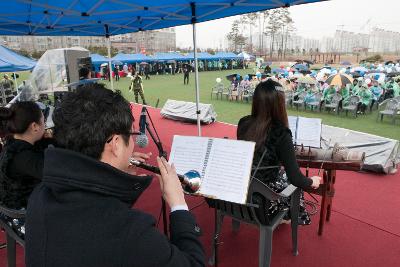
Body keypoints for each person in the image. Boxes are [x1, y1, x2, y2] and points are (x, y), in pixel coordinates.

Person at [25, 84, 205, 267]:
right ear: (116, 144)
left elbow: (99, 216)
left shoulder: (40, 195)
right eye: (132, 135)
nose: (133, 144)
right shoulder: (133, 233)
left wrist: (114, 177)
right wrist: (178, 205)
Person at [237, 79, 321, 225]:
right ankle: (290, 215)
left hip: (242, 187)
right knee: (294, 184)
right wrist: (312, 181)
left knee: (282, 173)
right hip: (263, 201)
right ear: (279, 103)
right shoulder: (281, 133)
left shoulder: (243, 123)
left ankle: (287, 215)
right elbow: (296, 179)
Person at [0, 101, 49, 237]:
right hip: (24, 220)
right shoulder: (25, 157)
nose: (45, 126)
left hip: (11, 214)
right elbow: (56, 175)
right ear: (34, 126)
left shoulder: (11, 146)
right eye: (43, 122)